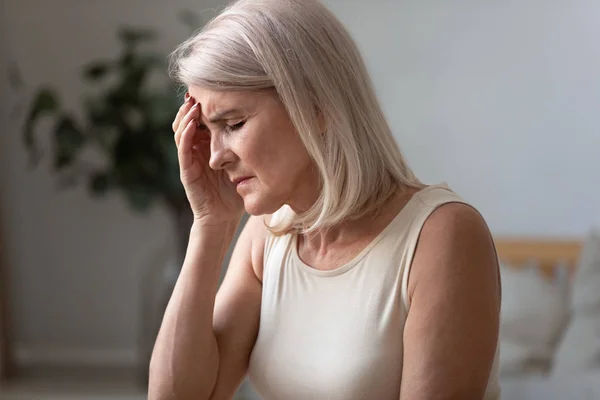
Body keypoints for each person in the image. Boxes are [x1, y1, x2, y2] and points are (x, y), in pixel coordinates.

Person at [149, 0, 501, 399]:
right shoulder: (268, 236)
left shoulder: (441, 235)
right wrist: (209, 224)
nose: (215, 157)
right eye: (207, 132)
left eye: (232, 124)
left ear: (316, 106)